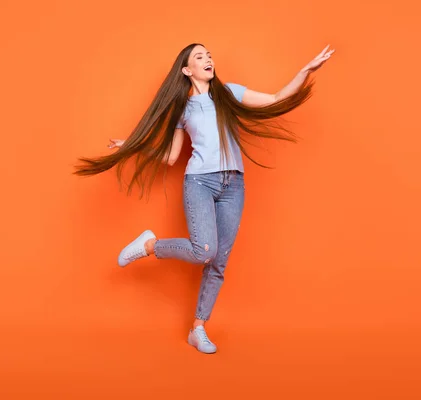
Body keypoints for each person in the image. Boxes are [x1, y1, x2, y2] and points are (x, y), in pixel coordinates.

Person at [74, 43, 334, 354]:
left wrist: (304, 71)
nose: (208, 59)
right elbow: (171, 157)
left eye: (209, 55)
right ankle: (149, 245)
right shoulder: (182, 108)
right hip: (200, 182)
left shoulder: (229, 93)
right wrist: (131, 145)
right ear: (187, 70)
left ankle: (198, 328)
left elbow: (276, 98)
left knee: (218, 261)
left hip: (234, 184)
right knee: (204, 251)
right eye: (200, 56)